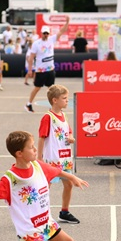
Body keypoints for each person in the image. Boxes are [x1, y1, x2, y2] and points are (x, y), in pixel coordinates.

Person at [39, 85, 79, 224]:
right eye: (64, 98)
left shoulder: (63, 115)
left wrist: (71, 138)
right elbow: (42, 137)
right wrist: (39, 158)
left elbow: (68, 132)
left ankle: (64, 211)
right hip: (53, 158)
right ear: (55, 100)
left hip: (65, 157)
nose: (67, 101)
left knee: (68, 184)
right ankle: (40, 213)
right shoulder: (48, 117)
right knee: (45, 187)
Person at [27, 20, 68, 113]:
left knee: (52, 89)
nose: (46, 35)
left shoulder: (51, 39)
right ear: (41, 33)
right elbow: (31, 57)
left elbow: (62, 31)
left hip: (50, 69)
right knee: (37, 87)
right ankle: (28, 104)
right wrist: (30, 70)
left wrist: (67, 22)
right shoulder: (36, 43)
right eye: (44, 33)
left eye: (47, 33)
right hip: (41, 70)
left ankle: (54, 107)